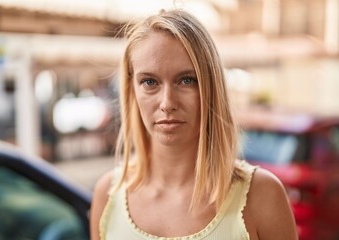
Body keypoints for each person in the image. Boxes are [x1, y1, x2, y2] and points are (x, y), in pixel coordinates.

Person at [90, 9, 297, 240]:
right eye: (150, 81)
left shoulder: (262, 197)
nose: (167, 103)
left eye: (186, 80)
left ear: (212, 88)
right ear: (132, 90)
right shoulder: (108, 196)